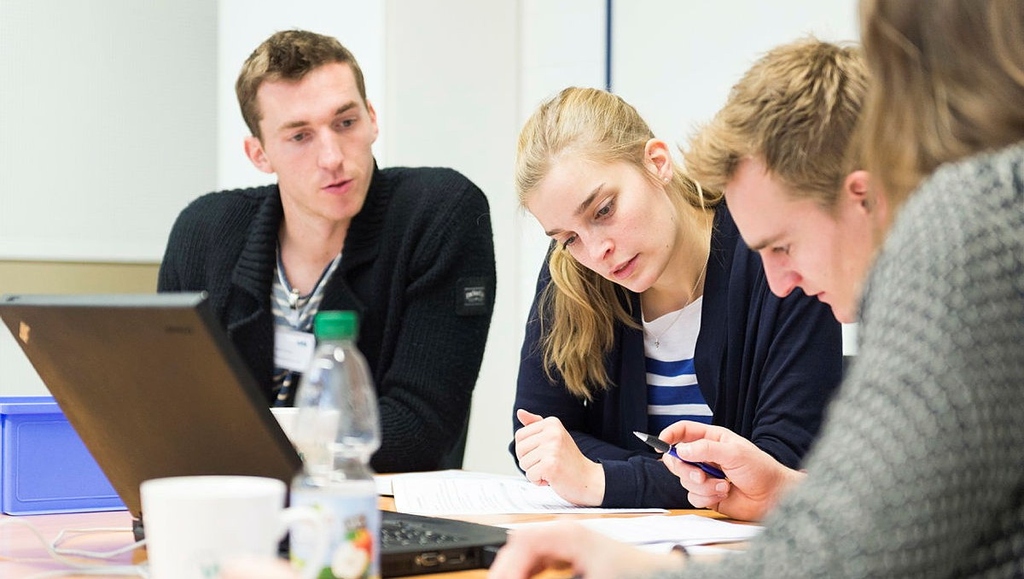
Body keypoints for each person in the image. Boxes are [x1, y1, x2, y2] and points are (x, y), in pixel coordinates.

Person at [489, 0, 1024, 576]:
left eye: (782, 247)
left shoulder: (964, 229)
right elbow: (891, 513)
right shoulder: (988, 212)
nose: (777, 281)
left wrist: (634, 554)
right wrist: (786, 492)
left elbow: (850, 552)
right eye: (568, 237)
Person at [157, 30, 496, 474]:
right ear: (259, 154)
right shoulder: (203, 233)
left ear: (372, 119)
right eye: (300, 136)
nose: (332, 157)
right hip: (231, 500)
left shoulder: (439, 213)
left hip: (373, 503)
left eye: (345, 123)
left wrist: (236, 439)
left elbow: (417, 431)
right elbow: (169, 412)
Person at [511, 70, 847, 507]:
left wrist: (602, 479)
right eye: (568, 237)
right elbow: (538, 441)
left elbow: (779, 466)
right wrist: (672, 479)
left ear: (657, 163)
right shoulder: (570, 272)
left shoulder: (774, 254)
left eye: (604, 210)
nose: (596, 251)